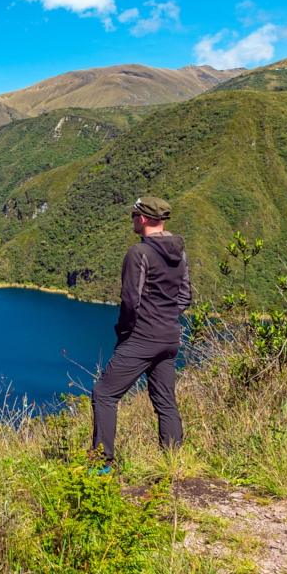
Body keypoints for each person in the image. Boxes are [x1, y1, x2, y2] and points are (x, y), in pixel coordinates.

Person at [91, 196, 191, 470]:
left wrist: (125, 332)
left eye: (134, 215)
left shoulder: (139, 253)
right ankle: (173, 464)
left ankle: (101, 467)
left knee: (104, 394)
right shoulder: (180, 252)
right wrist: (166, 319)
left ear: (144, 219)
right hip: (170, 339)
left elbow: (130, 300)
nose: (132, 219)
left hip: (141, 339)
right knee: (165, 402)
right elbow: (185, 297)